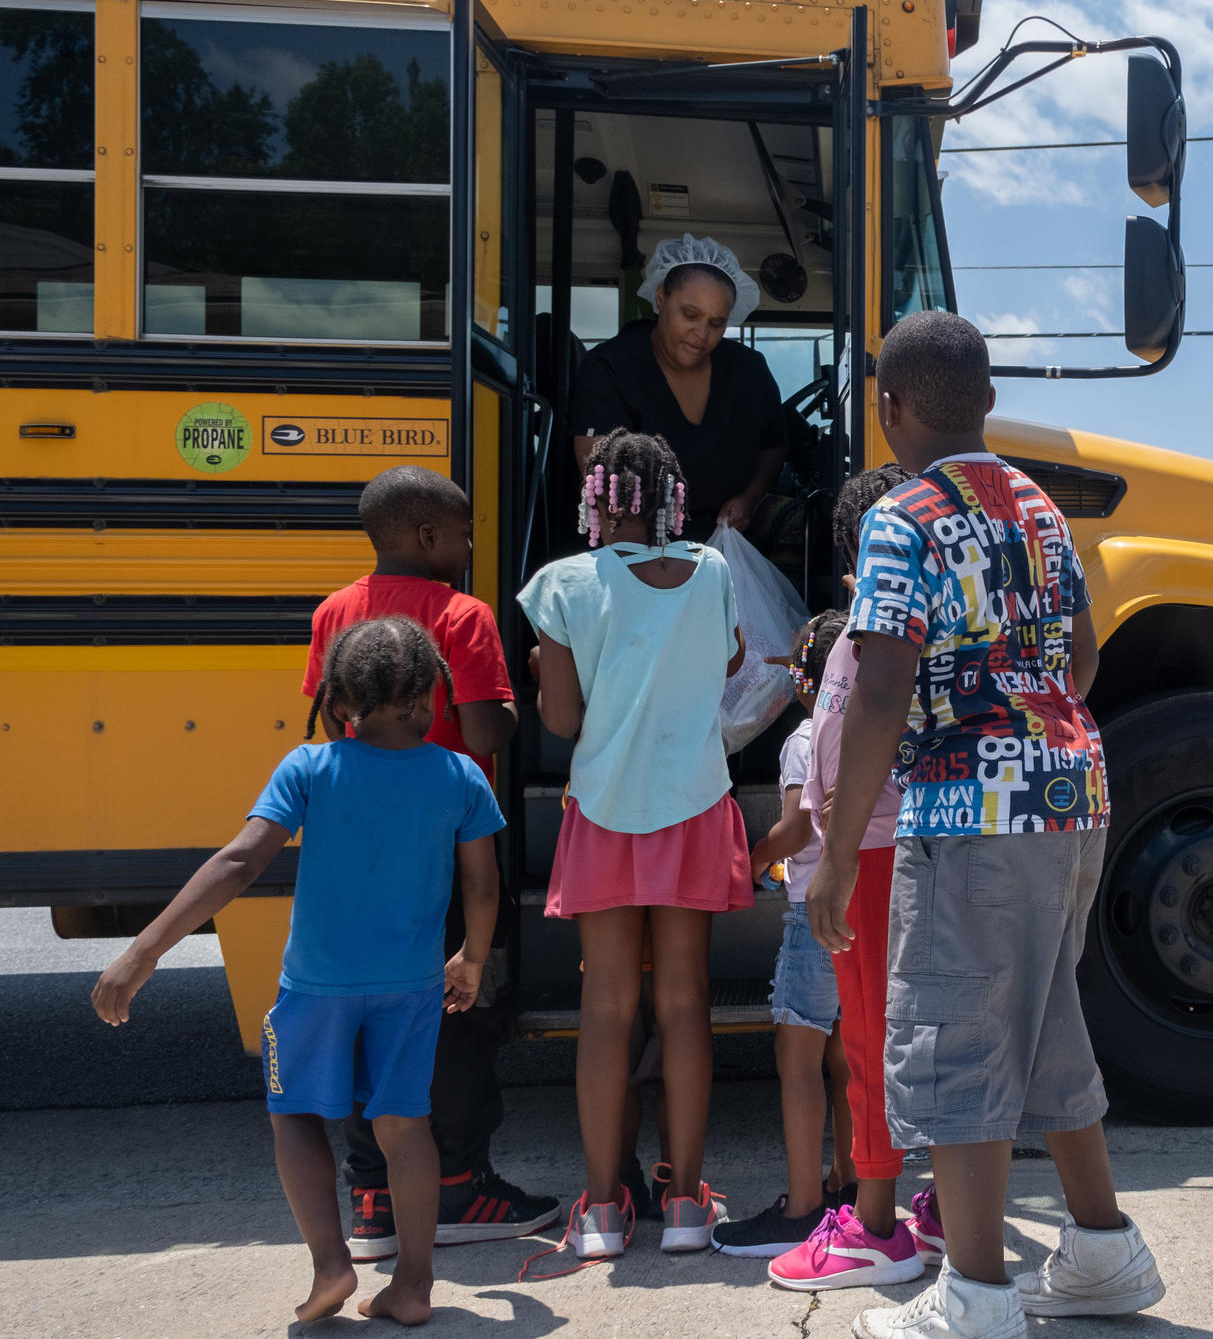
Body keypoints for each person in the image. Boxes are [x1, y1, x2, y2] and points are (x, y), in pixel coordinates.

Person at [807, 312, 1164, 1339]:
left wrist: (837, 855)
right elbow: (1085, 659)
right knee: (1050, 1021)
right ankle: (1101, 1252)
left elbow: (880, 686)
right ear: (989, 403)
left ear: (889, 410)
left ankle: (974, 1296)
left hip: (969, 807)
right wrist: (1028, 709)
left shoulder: (902, 517)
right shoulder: (1040, 505)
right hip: (1070, 792)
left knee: (954, 1035)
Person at [92, 617, 503, 1327]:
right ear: (430, 696)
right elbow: (483, 886)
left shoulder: (309, 768)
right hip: (410, 989)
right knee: (406, 1129)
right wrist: (470, 957)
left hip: (315, 988)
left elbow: (238, 863)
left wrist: (145, 950)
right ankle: (412, 1284)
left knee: (295, 1117)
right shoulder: (459, 774)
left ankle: (331, 1264)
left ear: (341, 701)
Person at [302, 464, 559, 1260]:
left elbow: (323, 719)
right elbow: (485, 734)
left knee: (364, 1019)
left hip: (353, 850)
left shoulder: (335, 612)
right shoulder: (463, 614)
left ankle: (372, 1197)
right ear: (426, 536)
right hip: (444, 848)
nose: (470, 544)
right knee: (455, 1008)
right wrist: (522, 700)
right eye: (462, 532)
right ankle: (457, 1187)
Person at [517, 428, 750, 1268]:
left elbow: (563, 721)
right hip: (694, 803)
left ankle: (606, 1211)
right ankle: (687, 1202)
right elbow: (728, 661)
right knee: (686, 1004)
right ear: (671, 500)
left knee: (608, 1007)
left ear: (594, 497)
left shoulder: (563, 584)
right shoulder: (714, 571)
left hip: (607, 808)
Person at [766, 463, 945, 1295]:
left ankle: (876, 1228)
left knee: (872, 1042)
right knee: (935, 1036)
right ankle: (946, 1203)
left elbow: (843, 764)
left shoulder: (864, 643)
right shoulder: (935, 628)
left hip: (871, 859)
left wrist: (829, 856)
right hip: (915, 851)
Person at [714, 611, 860, 1258]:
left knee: (796, 1060)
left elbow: (801, 828)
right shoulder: (877, 730)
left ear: (807, 679)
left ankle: (802, 1207)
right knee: (847, 1058)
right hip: (868, 909)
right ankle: (848, 1184)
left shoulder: (807, 736)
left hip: (814, 913)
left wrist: (746, 859)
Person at [571, 234, 788, 536]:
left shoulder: (749, 369)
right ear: (660, 297)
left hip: (726, 540)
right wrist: (640, 560)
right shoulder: (610, 367)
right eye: (690, 314)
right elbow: (598, 470)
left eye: (716, 323)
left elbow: (773, 446)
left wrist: (749, 500)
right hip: (636, 539)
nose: (701, 334)